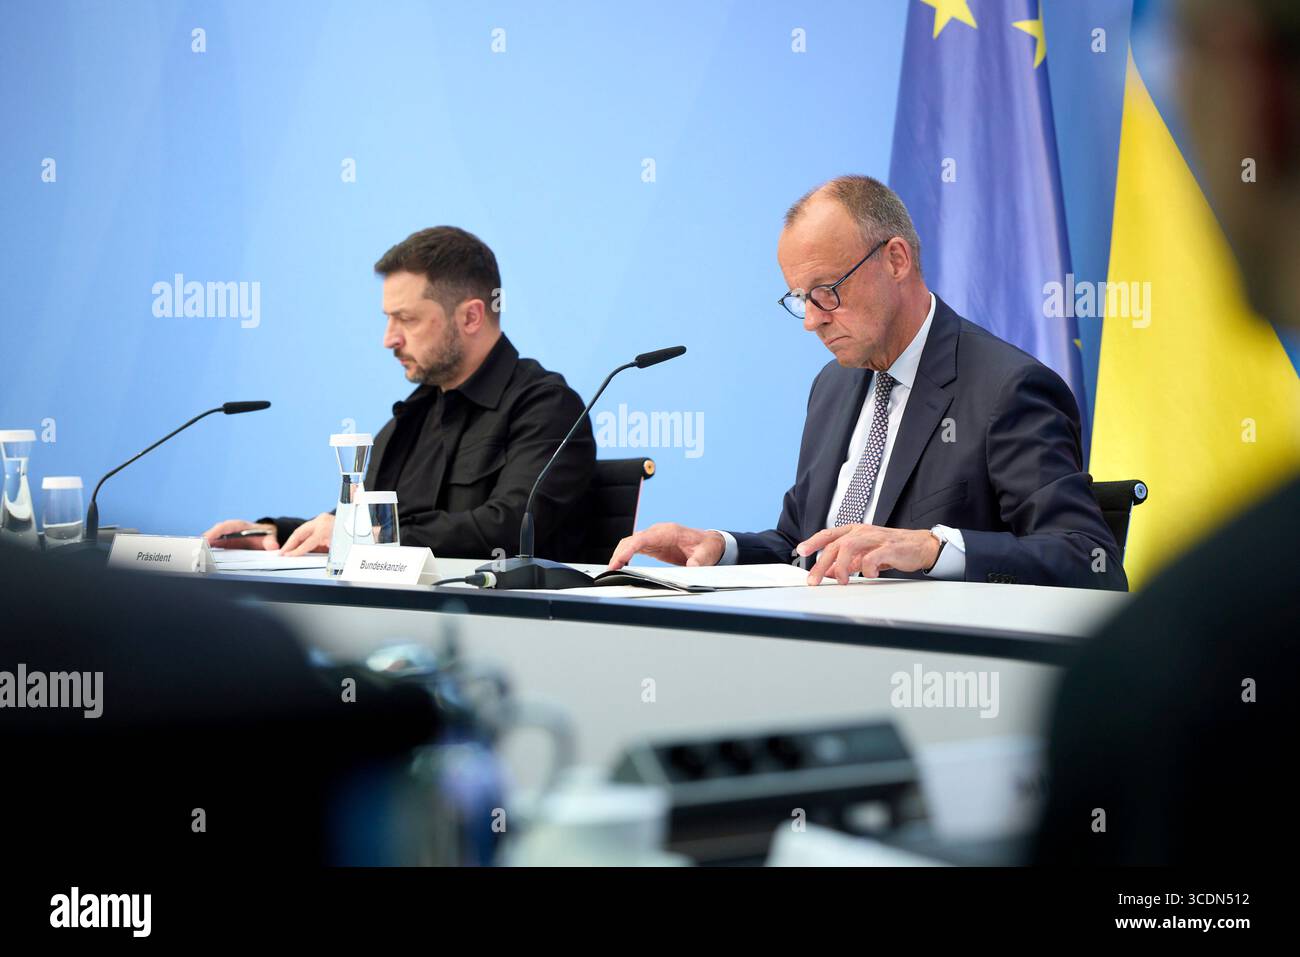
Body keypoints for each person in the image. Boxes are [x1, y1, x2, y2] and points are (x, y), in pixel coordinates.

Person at [1033, 0, 1299, 865]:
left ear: (1261, 91)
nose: (812, 317)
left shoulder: (1183, 679)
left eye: (1181, 57)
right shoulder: (830, 396)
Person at [609, 177, 1125, 589]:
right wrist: (722, 547)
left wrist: (933, 549)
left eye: (826, 291)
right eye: (799, 299)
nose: (812, 320)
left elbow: (1087, 558)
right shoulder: (832, 386)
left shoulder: (1007, 389)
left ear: (896, 260)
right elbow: (803, 544)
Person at [204, 227, 595, 560]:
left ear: (471, 316)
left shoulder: (548, 407)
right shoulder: (414, 415)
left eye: (406, 319)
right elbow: (368, 518)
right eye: (388, 318)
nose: (389, 339)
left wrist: (366, 535)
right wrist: (278, 532)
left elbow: (509, 527)